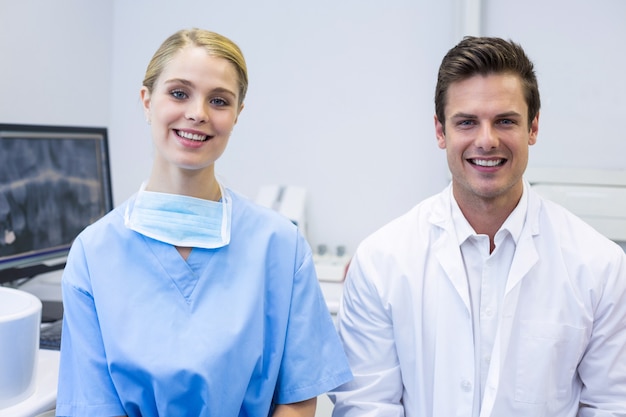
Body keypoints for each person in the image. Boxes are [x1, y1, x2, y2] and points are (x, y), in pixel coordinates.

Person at [56, 28, 352, 417]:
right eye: (179, 93)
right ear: (147, 101)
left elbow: (297, 399)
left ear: (237, 114)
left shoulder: (280, 246)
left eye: (219, 100)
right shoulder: (93, 255)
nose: (197, 113)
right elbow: (91, 406)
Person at [329, 36, 626, 416]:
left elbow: (611, 406)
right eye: (467, 122)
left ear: (533, 128)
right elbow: (366, 407)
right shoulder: (381, 263)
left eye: (505, 121)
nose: (487, 141)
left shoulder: (598, 265)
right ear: (441, 132)